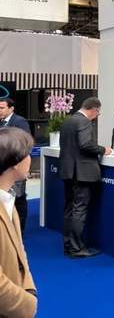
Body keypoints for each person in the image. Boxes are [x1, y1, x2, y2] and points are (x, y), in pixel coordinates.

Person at [59, 97, 112, 258]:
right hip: (82, 173)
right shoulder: (84, 121)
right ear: (93, 109)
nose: (98, 115)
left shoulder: (68, 120)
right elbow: (85, 144)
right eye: (98, 112)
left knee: (69, 209)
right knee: (79, 209)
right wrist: (103, 150)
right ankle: (76, 248)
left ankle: (68, 245)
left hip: (68, 171)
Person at [0, 127, 37, 318]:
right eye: (27, 154)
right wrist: (26, 305)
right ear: (14, 163)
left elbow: (19, 251)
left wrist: (28, 287)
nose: (30, 158)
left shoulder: (8, 199)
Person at [0, 97, 31, 233]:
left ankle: (19, 231)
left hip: (16, 167)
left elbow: (25, 144)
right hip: (3, 168)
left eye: (2, 108)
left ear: (11, 108)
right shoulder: (1, 122)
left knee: (18, 198)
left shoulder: (19, 121)